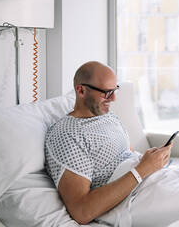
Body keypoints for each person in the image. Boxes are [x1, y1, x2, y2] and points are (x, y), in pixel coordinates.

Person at [44, 61, 172, 225]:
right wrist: (144, 168)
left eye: (115, 90)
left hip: (154, 178)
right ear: (81, 90)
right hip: (136, 197)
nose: (113, 98)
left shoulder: (109, 117)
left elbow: (129, 156)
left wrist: (152, 160)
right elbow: (81, 211)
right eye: (107, 92)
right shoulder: (67, 135)